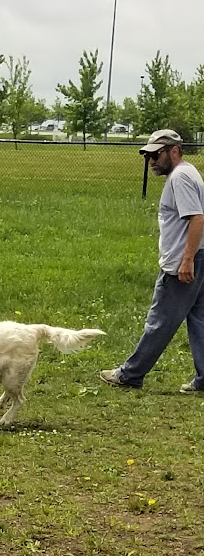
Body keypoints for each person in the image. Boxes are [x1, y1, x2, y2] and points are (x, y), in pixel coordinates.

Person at [100, 128, 204, 393]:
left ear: (174, 151)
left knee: (160, 321)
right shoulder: (188, 172)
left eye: (156, 155)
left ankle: (130, 374)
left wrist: (186, 260)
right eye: (148, 156)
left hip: (183, 262)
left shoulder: (180, 177)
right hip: (198, 256)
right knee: (200, 320)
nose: (151, 161)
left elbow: (197, 218)